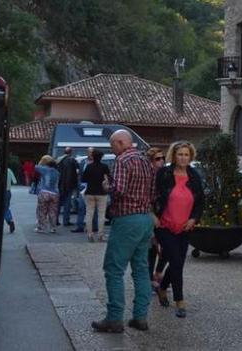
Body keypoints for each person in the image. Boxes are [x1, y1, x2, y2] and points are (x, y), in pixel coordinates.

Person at [92, 130, 156, 333]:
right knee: (141, 270)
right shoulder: (146, 160)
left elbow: (119, 189)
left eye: (113, 146)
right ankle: (140, 317)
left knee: (113, 269)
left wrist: (106, 186)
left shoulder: (122, 160)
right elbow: (154, 192)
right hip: (145, 219)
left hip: (127, 219)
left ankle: (114, 318)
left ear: (120, 143)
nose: (113, 150)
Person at [153, 142, 204, 318]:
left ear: (191, 157)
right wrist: (152, 214)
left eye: (186, 154)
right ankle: (180, 301)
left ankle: (162, 287)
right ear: (174, 156)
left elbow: (200, 202)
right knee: (176, 261)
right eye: (180, 154)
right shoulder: (164, 173)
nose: (183, 157)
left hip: (185, 227)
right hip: (165, 225)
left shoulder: (195, 176)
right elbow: (152, 195)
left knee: (178, 263)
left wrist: (193, 219)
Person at [145, 147, 168, 292]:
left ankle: (157, 274)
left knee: (167, 248)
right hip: (151, 215)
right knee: (151, 249)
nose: (161, 161)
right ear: (151, 161)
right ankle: (149, 280)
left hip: (164, 214)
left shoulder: (165, 174)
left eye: (162, 158)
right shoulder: (148, 176)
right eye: (157, 159)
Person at [82, 149, 112, 242]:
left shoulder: (89, 166)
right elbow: (109, 178)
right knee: (101, 215)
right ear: (101, 157)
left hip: (90, 192)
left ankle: (90, 234)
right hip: (101, 193)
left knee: (89, 213)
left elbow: (83, 179)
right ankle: (100, 234)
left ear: (93, 156)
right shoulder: (104, 167)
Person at [34, 155, 60, 233]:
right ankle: (53, 227)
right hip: (55, 193)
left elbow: (36, 167)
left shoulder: (44, 169)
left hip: (44, 192)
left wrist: (42, 160)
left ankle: (42, 227)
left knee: (42, 211)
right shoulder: (57, 172)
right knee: (53, 211)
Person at [57, 147, 81, 227]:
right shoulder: (72, 160)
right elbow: (78, 168)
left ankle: (55, 220)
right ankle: (66, 221)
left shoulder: (59, 160)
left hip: (60, 184)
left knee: (58, 204)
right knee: (67, 204)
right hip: (69, 185)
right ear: (71, 152)